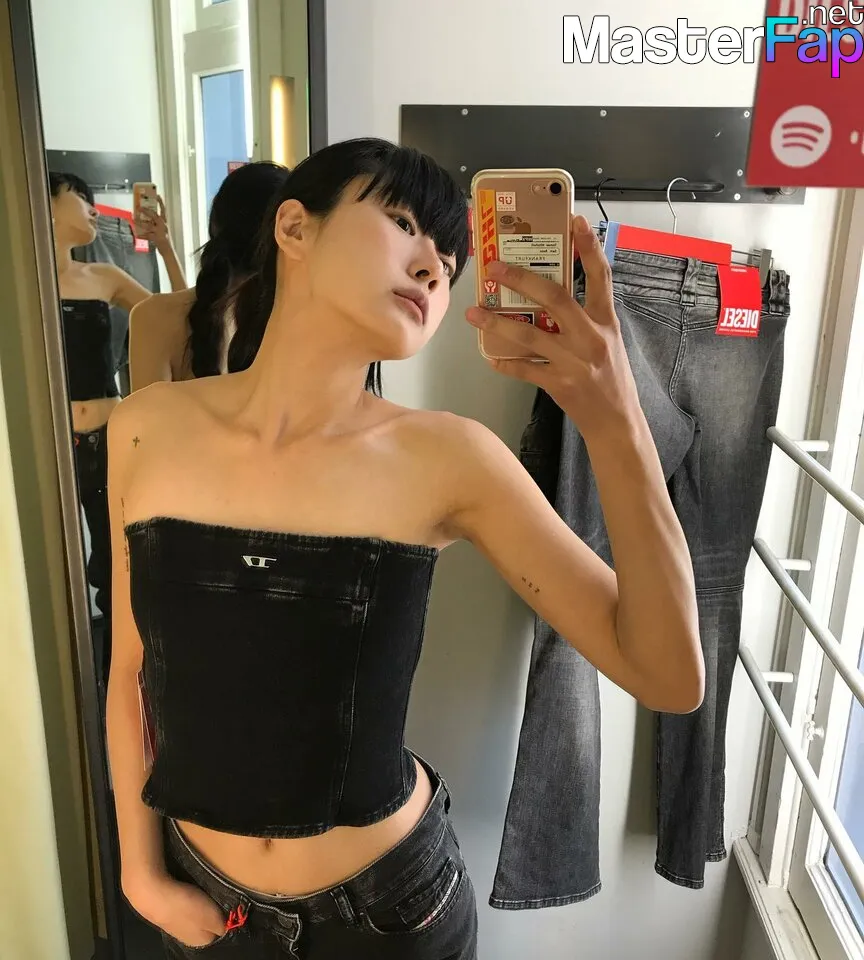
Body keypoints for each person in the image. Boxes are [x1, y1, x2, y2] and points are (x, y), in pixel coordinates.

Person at [105, 138, 704, 959]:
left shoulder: (451, 458)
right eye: (402, 223)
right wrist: (141, 874)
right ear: (294, 227)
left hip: (389, 917)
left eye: (450, 264)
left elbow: (669, 676)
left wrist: (615, 417)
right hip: (205, 906)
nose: (432, 268)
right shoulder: (148, 427)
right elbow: (130, 673)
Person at [49, 172, 184, 687]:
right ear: (46, 201)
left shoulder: (102, 276)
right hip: (47, 445)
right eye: (80, 198)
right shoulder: (19, 282)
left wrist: (165, 246)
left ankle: (113, 687)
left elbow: (179, 315)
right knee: (49, 564)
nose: (92, 209)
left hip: (108, 437)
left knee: (113, 563)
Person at [128, 162, 289, 391]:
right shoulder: (301, 323)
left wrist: (166, 247)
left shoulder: (153, 317)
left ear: (214, 225)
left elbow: (147, 418)